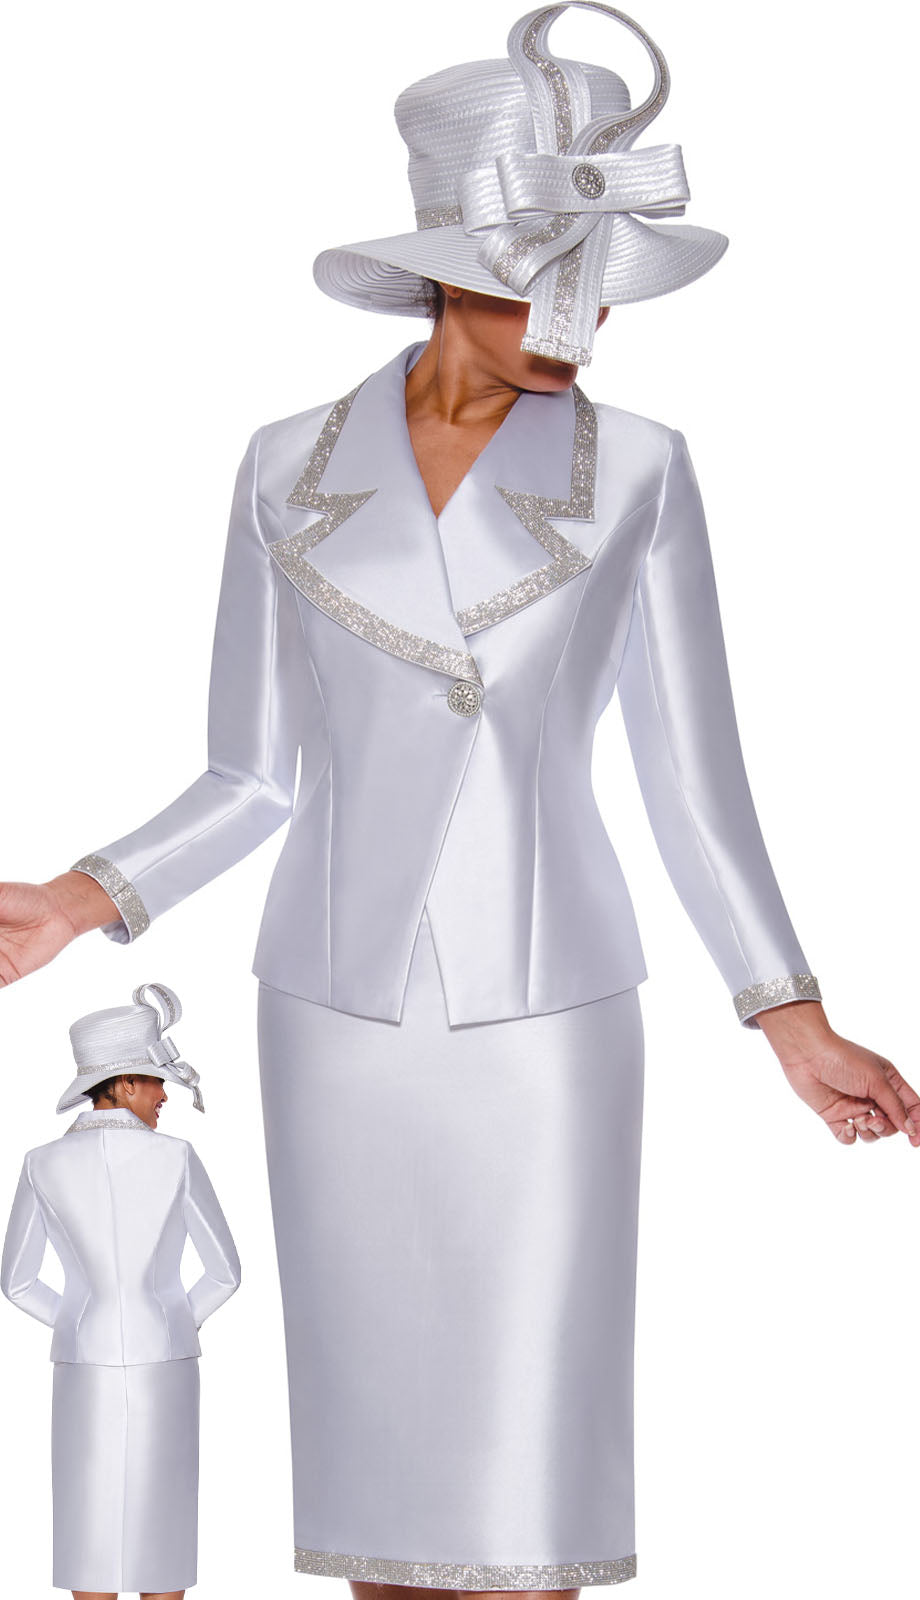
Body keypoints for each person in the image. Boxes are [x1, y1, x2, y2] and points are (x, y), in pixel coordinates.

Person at [0, 3, 917, 1597]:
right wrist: (82, 899)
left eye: (598, 279)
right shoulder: (283, 467)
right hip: (335, 1007)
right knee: (382, 1482)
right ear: (438, 267)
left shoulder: (640, 471)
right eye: (541, 272)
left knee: (521, 1481)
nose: (580, 316)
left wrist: (792, 1019)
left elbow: (694, 775)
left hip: (547, 1008)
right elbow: (251, 772)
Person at [1, 982, 241, 1599]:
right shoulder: (177, 1156)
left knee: (89, 1521)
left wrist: (78, 1318)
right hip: (168, 1359)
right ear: (126, 1083)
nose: (165, 1095)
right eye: (157, 1081)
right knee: (163, 1523)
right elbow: (225, 1272)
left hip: (82, 1359)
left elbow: (17, 1282)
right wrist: (171, 1316)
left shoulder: (41, 1162)